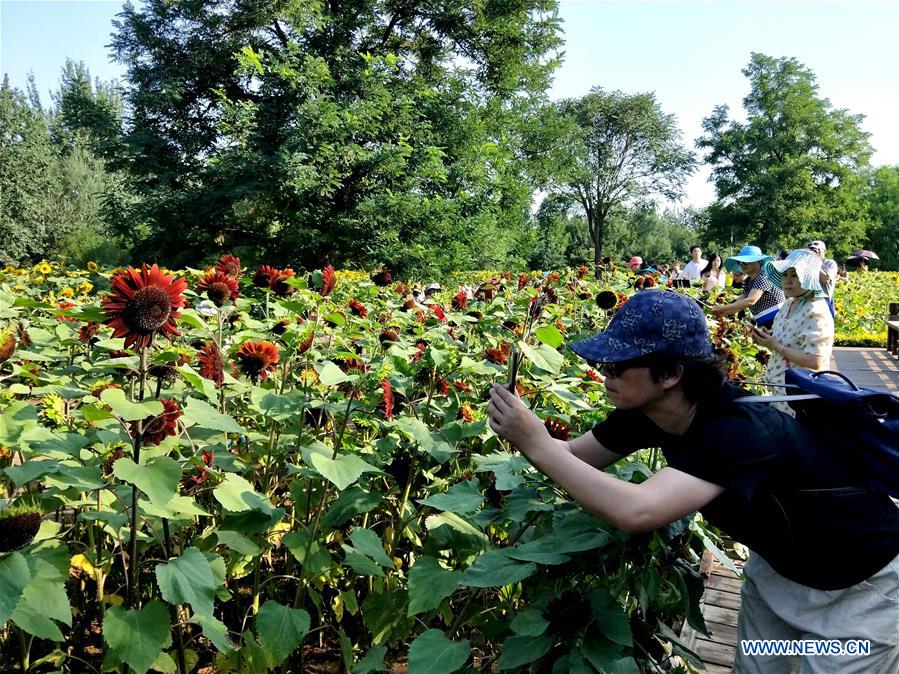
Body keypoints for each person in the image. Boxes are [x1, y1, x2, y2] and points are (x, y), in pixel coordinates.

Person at [487, 289, 899, 674]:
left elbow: (638, 510)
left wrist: (536, 444)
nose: (604, 374)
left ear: (669, 374)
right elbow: (575, 457)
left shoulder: (738, 430)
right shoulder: (649, 413)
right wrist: (527, 431)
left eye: (617, 365)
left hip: (861, 589)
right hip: (780, 575)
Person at [749, 249, 834, 416]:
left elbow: (815, 361)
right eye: (785, 274)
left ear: (809, 278)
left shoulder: (816, 310)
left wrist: (775, 345)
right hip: (780, 393)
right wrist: (767, 336)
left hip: (798, 399)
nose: (787, 280)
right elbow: (790, 338)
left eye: (794, 275)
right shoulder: (789, 304)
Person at [711, 246, 785, 327]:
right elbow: (737, 306)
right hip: (766, 323)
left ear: (758, 262)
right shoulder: (750, 283)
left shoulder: (763, 276)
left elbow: (751, 300)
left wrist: (723, 308)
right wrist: (719, 311)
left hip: (778, 320)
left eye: (747, 262)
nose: (743, 265)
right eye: (740, 262)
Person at [807, 241, 838, 317]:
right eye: (811, 250)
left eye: (817, 250)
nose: (814, 253)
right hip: (809, 301)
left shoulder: (829, 263)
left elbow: (826, 279)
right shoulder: (807, 264)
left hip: (824, 300)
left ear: (824, 251)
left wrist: (814, 263)